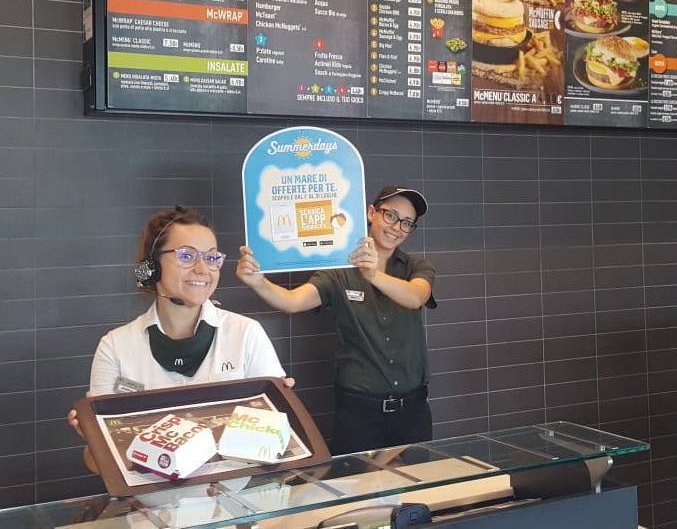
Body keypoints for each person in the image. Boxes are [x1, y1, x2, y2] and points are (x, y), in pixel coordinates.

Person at [68, 206, 290, 472]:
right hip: (152, 496)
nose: (203, 269)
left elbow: (277, 446)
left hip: (236, 492)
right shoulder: (116, 346)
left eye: (211, 258)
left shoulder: (246, 334)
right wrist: (95, 440)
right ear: (152, 267)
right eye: (186, 256)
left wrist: (277, 416)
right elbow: (99, 466)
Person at [237, 186, 436, 454]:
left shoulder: (417, 267)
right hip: (358, 411)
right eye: (390, 216)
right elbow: (293, 301)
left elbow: (416, 296)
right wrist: (258, 282)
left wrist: (373, 275)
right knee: (357, 480)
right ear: (371, 213)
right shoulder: (339, 270)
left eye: (407, 223)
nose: (397, 227)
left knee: (419, 479)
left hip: (413, 410)